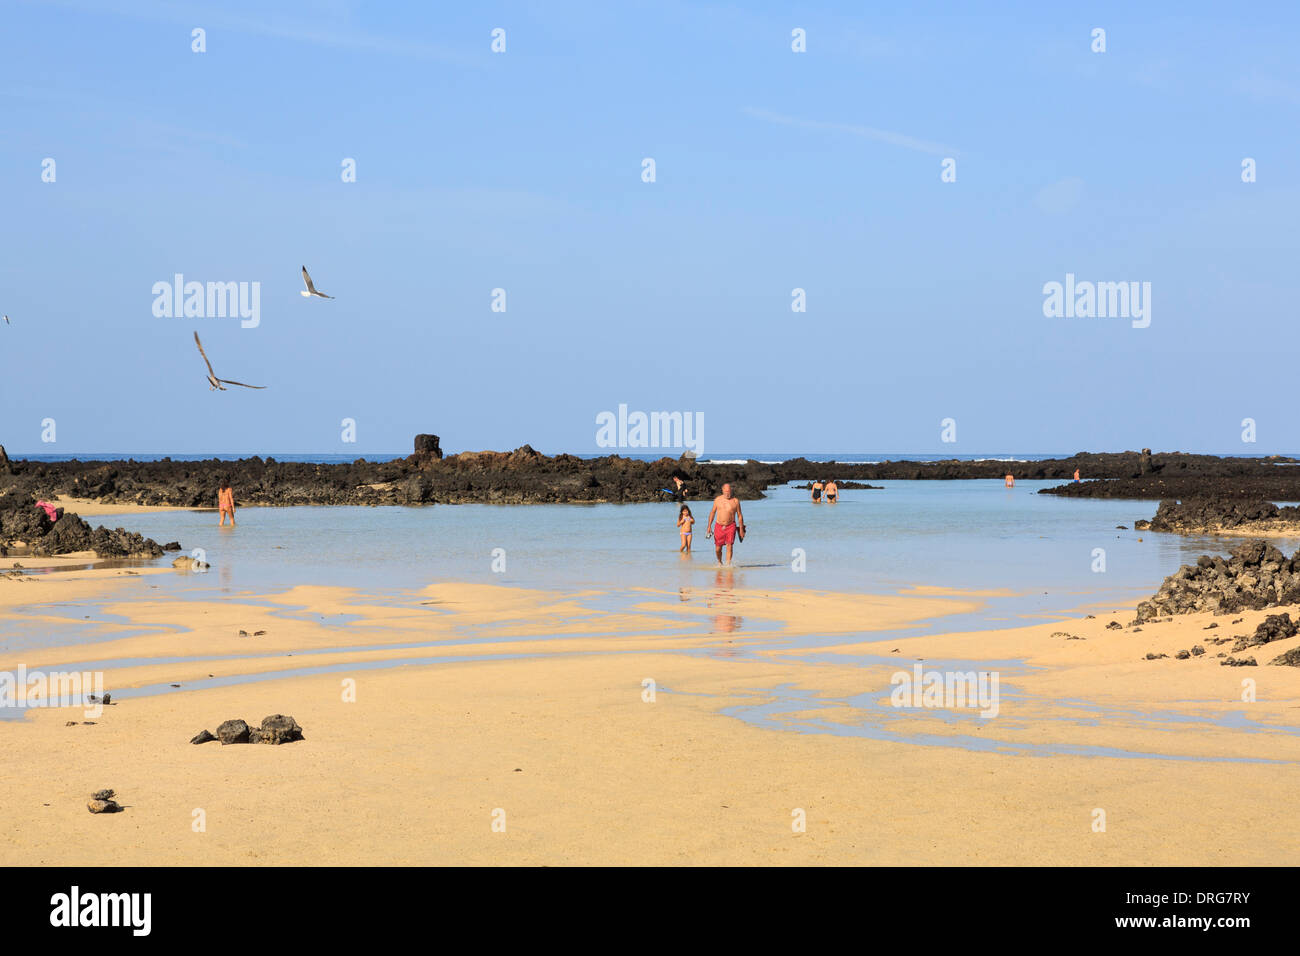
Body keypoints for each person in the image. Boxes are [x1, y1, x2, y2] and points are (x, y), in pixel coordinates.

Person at [706, 483, 745, 566]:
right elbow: (712, 513)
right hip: (719, 526)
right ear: (722, 490)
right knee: (718, 548)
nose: (728, 493)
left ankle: (728, 565)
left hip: (731, 525)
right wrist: (709, 526)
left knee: (729, 545)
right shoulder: (717, 500)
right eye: (726, 491)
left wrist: (741, 529)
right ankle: (720, 562)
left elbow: (740, 515)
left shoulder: (735, 501)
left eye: (729, 491)